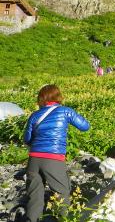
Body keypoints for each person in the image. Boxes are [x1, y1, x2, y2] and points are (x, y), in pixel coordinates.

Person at [23, 84, 90, 222]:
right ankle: (62, 219)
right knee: (61, 192)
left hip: (33, 160)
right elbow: (85, 126)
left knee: (34, 196)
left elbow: (27, 139)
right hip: (53, 159)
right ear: (58, 96)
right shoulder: (65, 111)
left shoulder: (34, 115)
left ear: (41, 98)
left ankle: (31, 219)